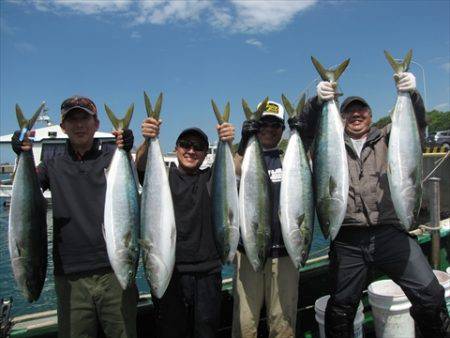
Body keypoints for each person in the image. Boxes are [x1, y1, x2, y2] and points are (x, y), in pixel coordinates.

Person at [293, 71, 450, 337]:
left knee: (431, 294)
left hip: (389, 232)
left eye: (361, 111)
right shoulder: (326, 141)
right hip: (347, 238)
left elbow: (418, 123)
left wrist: (411, 95)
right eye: (350, 112)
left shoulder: (389, 136)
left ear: (370, 114)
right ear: (342, 117)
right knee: (340, 308)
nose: (356, 115)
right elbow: (305, 129)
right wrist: (316, 103)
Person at [12, 95, 137, 338]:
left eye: (85, 118)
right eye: (73, 120)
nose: (79, 125)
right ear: (63, 127)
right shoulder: (51, 165)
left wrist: (129, 147)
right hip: (69, 276)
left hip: (115, 270)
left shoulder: (112, 159)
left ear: (96, 124)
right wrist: (22, 154)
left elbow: (138, 172)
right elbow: (26, 196)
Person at [135, 116, 235, 338]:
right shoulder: (163, 178)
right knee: (171, 331)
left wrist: (229, 141)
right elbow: (140, 165)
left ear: (206, 153)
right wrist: (148, 139)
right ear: (176, 148)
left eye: (198, 147)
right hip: (170, 272)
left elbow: (236, 168)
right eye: (185, 145)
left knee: (206, 332)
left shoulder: (212, 179)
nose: (191, 151)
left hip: (208, 274)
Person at [232, 100, 299, 338]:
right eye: (263, 124)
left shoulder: (290, 160)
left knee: (283, 324)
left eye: (275, 125)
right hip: (248, 253)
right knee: (244, 324)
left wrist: (300, 131)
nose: (269, 129)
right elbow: (232, 174)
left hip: (285, 255)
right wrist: (243, 141)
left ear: (283, 130)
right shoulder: (243, 159)